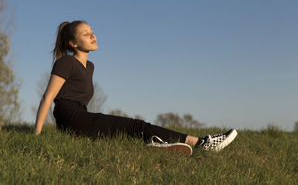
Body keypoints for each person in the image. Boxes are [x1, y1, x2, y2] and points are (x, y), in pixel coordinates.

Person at [35, 20, 237, 155]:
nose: (92, 36)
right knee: (135, 126)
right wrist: (37, 136)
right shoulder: (66, 63)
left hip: (80, 116)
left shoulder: (90, 67)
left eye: (92, 32)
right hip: (70, 117)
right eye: (86, 34)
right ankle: (202, 143)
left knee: (128, 131)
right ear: (73, 43)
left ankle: (157, 142)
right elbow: (47, 98)